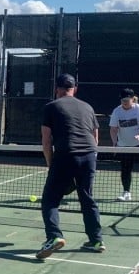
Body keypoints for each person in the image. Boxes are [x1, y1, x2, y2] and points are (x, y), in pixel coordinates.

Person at [36, 73, 104, 260]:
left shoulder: (51, 107)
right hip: (89, 155)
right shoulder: (88, 107)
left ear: (57, 89)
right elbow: (95, 137)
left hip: (65, 155)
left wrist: (51, 164)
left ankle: (54, 237)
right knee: (87, 197)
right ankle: (96, 240)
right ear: (74, 88)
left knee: (50, 200)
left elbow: (46, 140)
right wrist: (91, 157)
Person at [109, 88, 139, 202]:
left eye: (127, 100)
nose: (124, 102)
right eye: (122, 100)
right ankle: (126, 193)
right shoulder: (117, 111)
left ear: (132, 99)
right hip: (124, 146)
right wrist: (114, 143)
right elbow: (113, 129)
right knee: (125, 169)